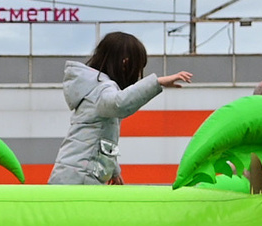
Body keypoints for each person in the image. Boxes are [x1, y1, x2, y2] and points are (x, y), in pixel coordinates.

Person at [47, 32, 191, 186]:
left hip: (74, 174)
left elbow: (100, 137)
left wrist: (114, 171)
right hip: (80, 178)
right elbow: (119, 104)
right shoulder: (102, 88)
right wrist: (158, 82)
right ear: (125, 63)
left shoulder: (94, 88)